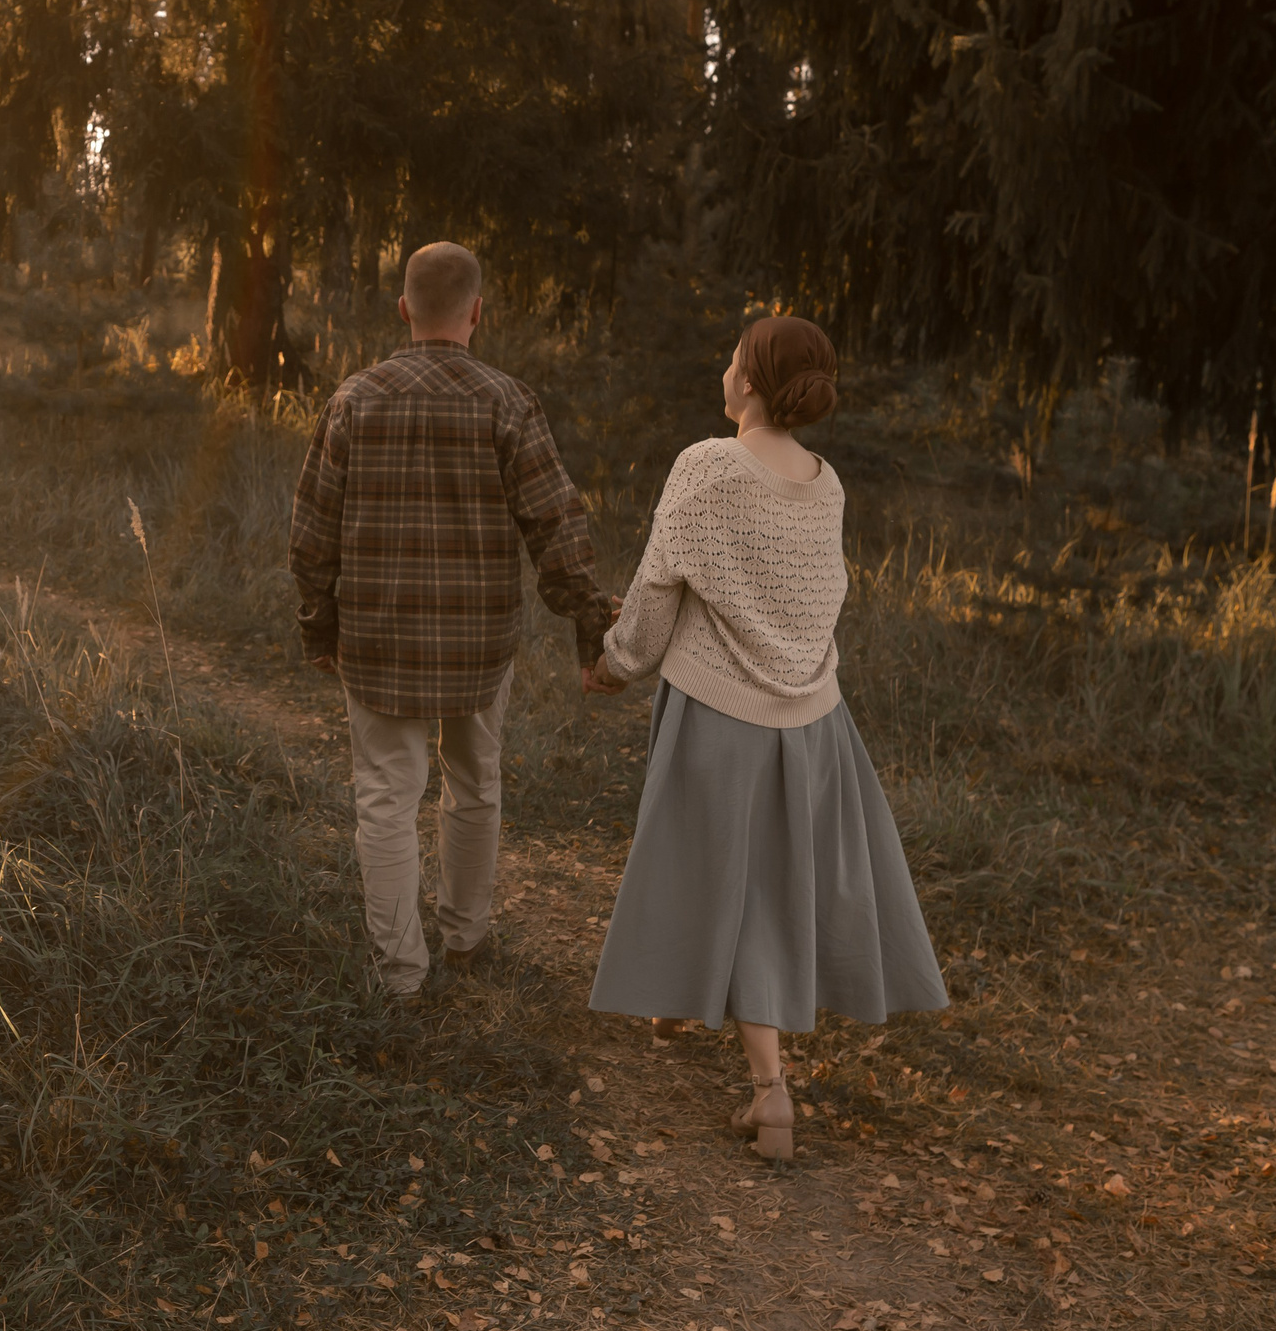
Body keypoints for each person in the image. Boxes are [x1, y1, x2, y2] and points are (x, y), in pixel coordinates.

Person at [583, 315, 945, 1158]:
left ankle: (770, 1091)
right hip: (814, 721)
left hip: (719, 713)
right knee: (763, 881)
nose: (725, 367)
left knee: (728, 881)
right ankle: (681, 1002)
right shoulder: (825, 481)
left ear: (748, 380)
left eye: (733, 356)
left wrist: (614, 662)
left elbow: (656, 590)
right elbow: (816, 598)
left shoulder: (707, 465)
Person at [290, 241, 619, 1002]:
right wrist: (591, 628)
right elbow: (556, 525)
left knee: (386, 795)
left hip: (377, 637)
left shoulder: (354, 399)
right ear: (477, 312)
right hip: (478, 641)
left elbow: (311, 532)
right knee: (475, 782)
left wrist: (319, 624)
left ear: (404, 308)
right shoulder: (508, 401)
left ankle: (400, 974)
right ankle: (465, 936)